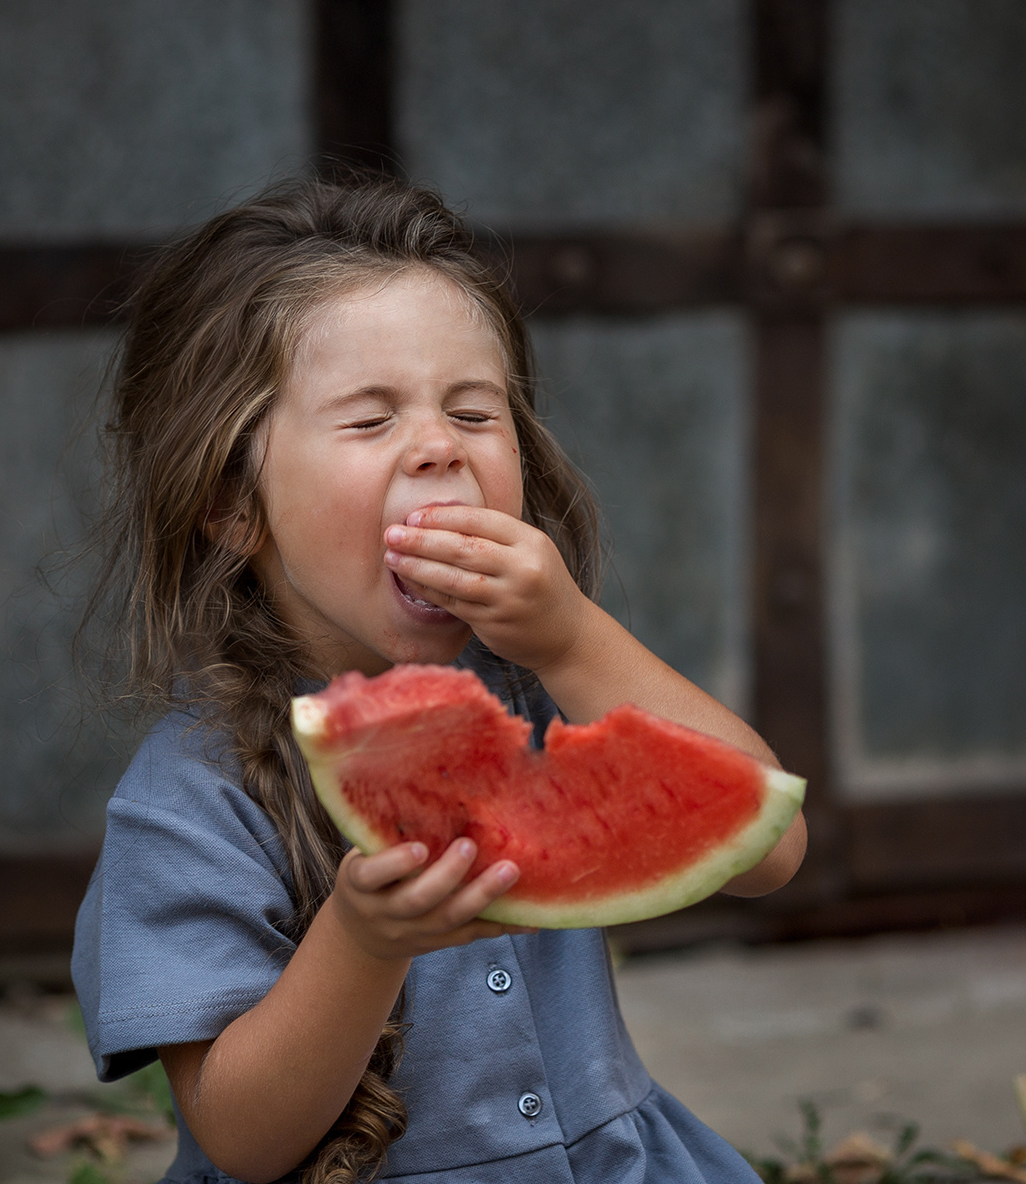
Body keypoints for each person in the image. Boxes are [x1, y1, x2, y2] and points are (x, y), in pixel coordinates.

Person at [72, 177, 807, 1184]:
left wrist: (572, 640)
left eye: (474, 410)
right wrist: (363, 943)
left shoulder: (536, 683)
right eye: (369, 423)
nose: (437, 447)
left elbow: (767, 843)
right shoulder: (189, 803)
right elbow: (238, 1139)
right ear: (231, 503)